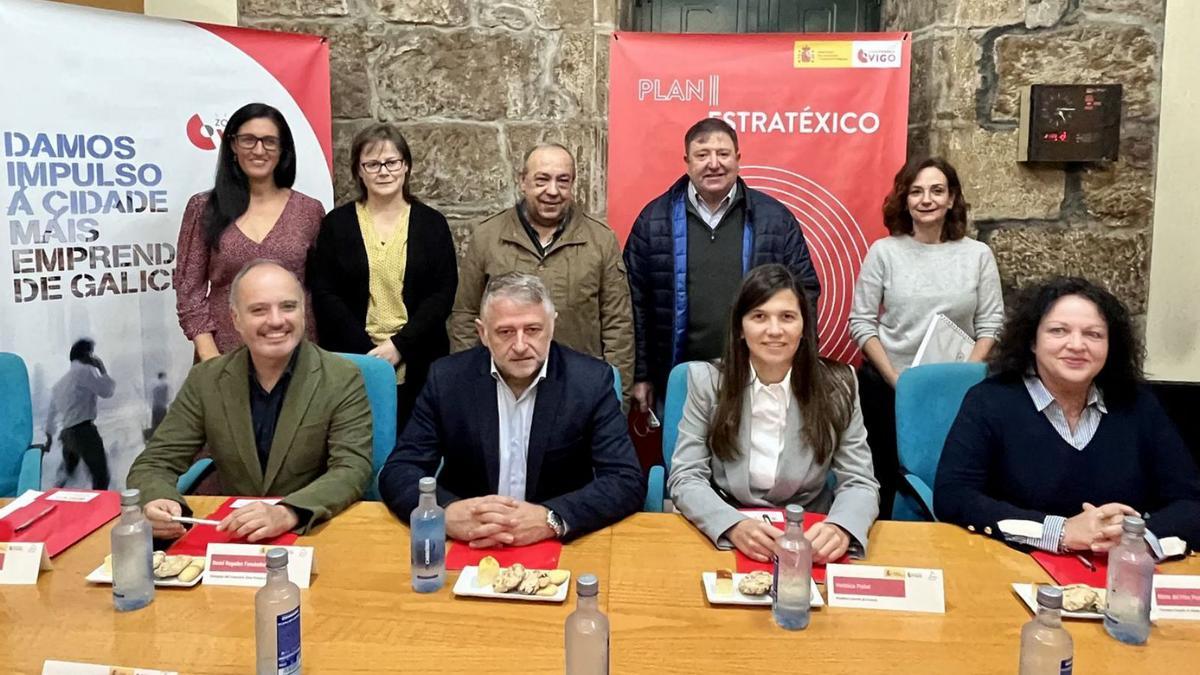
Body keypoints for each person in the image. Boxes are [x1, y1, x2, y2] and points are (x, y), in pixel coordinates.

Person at [935, 277, 1200, 555]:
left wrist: (1136, 537)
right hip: (1012, 563)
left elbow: (1190, 502)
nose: (1076, 345)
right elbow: (954, 496)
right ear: (1032, 342)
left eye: (1093, 334)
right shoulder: (989, 401)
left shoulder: (1140, 407)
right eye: (1059, 331)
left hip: (1117, 570)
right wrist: (1060, 532)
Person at [381, 272, 646, 545]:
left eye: (532, 330)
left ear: (552, 327)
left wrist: (551, 519)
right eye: (505, 332)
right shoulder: (448, 379)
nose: (520, 346)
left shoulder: (590, 382)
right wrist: (445, 512)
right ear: (482, 333)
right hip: (469, 543)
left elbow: (625, 480)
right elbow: (400, 470)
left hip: (556, 544)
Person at [128, 260, 373, 542]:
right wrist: (159, 501)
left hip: (313, 530)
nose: (276, 320)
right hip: (236, 535)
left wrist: (287, 512)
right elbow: (154, 463)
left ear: (304, 311)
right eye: (259, 310)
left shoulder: (342, 377)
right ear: (235, 319)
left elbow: (352, 468)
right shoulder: (206, 379)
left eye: (288, 307)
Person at [668, 264, 879, 563]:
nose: (775, 330)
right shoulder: (707, 382)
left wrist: (840, 527)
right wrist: (731, 524)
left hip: (808, 534)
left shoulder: (839, 384)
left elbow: (860, 481)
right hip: (727, 528)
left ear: (804, 327)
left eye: (788, 317)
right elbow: (686, 476)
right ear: (740, 328)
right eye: (759, 317)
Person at [624, 118, 821, 413]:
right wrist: (640, 375)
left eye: (723, 154)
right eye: (702, 155)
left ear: (738, 159)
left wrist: (800, 366)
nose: (713, 163)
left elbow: (805, 292)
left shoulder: (775, 219)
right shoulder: (654, 220)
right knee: (683, 457)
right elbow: (634, 302)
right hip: (679, 375)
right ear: (687, 161)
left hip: (759, 376)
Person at [848, 156, 1004, 517]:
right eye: (916, 192)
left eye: (937, 191)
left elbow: (992, 322)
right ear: (904, 200)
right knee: (886, 484)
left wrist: (964, 375)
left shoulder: (978, 255)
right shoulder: (884, 252)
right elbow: (862, 322)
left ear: (952, 199)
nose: (926, 199)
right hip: (888, 388)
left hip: (956, 393)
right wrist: (898, 381)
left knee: (950, 481)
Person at [449, 143, 633, 402]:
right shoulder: (487, 237)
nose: (552, 191)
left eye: (563, 181)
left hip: (578, 390)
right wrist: (468, 383)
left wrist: (617, 400)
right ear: (522, 181)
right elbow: (465, 316)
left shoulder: (601, 241)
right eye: (542, 180)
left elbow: (618, 325)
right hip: (502, 387)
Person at [308, 123, 457, 434]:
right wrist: (369, 354)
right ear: (359, 172)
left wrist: (399, 345)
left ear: (406, 166)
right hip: (353, 360)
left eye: (392, 162)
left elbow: (441, 294)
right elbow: (325, 293)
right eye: (372, 164)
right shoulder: (338, 225)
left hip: (419, 359)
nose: (383, 171)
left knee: (414, 450)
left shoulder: (432, 225)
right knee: (357, 447)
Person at [175, 102, 325, 361]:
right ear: (232, 145)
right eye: (248, 140)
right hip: (223, 356)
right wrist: (209, 353)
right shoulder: (204, 209)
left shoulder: (309, 211)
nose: (259, 150)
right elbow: (189, 289)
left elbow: (320, 287)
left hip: (295, 354)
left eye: (269, 141)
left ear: (282, 149)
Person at [46, 339, 116, 490]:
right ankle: (100, 509)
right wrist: (101, 369)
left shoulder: (59, 384)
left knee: (66, 475)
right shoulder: (84, 372)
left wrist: (49, 437)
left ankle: (53, 501)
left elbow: (51, 414)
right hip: (84, 432)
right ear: (87, 355)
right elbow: (107, 391)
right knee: (100, 476)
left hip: (67, 433)